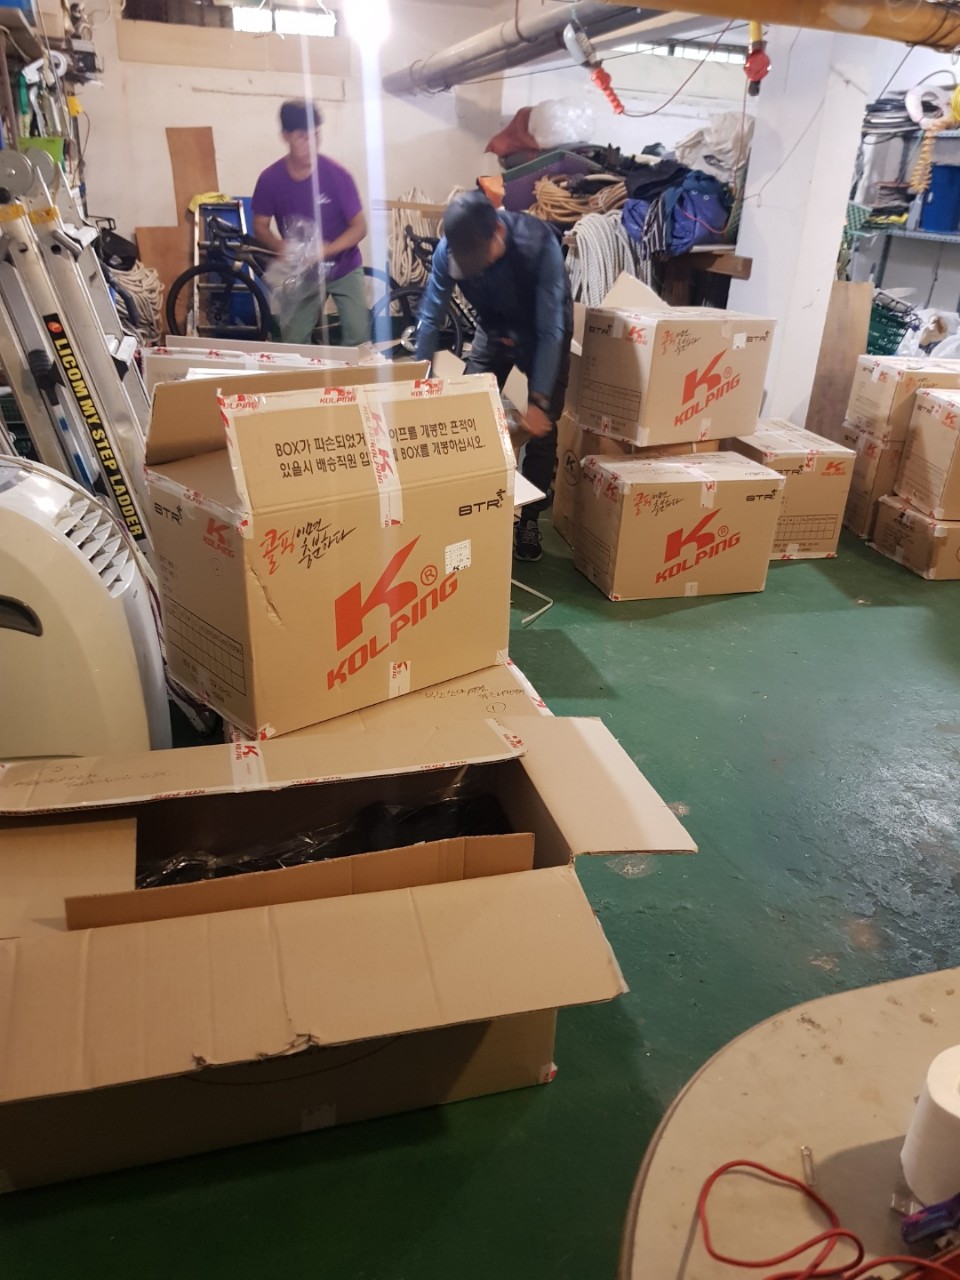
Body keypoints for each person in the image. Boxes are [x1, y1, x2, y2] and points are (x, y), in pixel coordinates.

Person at [414, 191, 572, 564]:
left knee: (541, 428)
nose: (477, 268)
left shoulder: (538, 247)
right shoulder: (449, 252)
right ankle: (470, 506)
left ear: (498, 232)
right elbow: (431, 314)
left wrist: (539, 400)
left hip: (542, 332)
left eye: (481, 258)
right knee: (468, 413)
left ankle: (529, 519)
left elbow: (550, 329)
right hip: (494, 328)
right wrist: (417, 376)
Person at [252, 100, 370, 347]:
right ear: (286, 136)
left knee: (358, 338)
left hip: (344, 267)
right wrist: (278, 246)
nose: (312, 144)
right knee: (294, 342)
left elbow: (359, 227)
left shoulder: (337, 176)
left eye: (316, 135)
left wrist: (325, 250)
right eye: (303, 138)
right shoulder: (270, 179)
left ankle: (352, 372)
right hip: (303, 271)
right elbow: (260, 225)